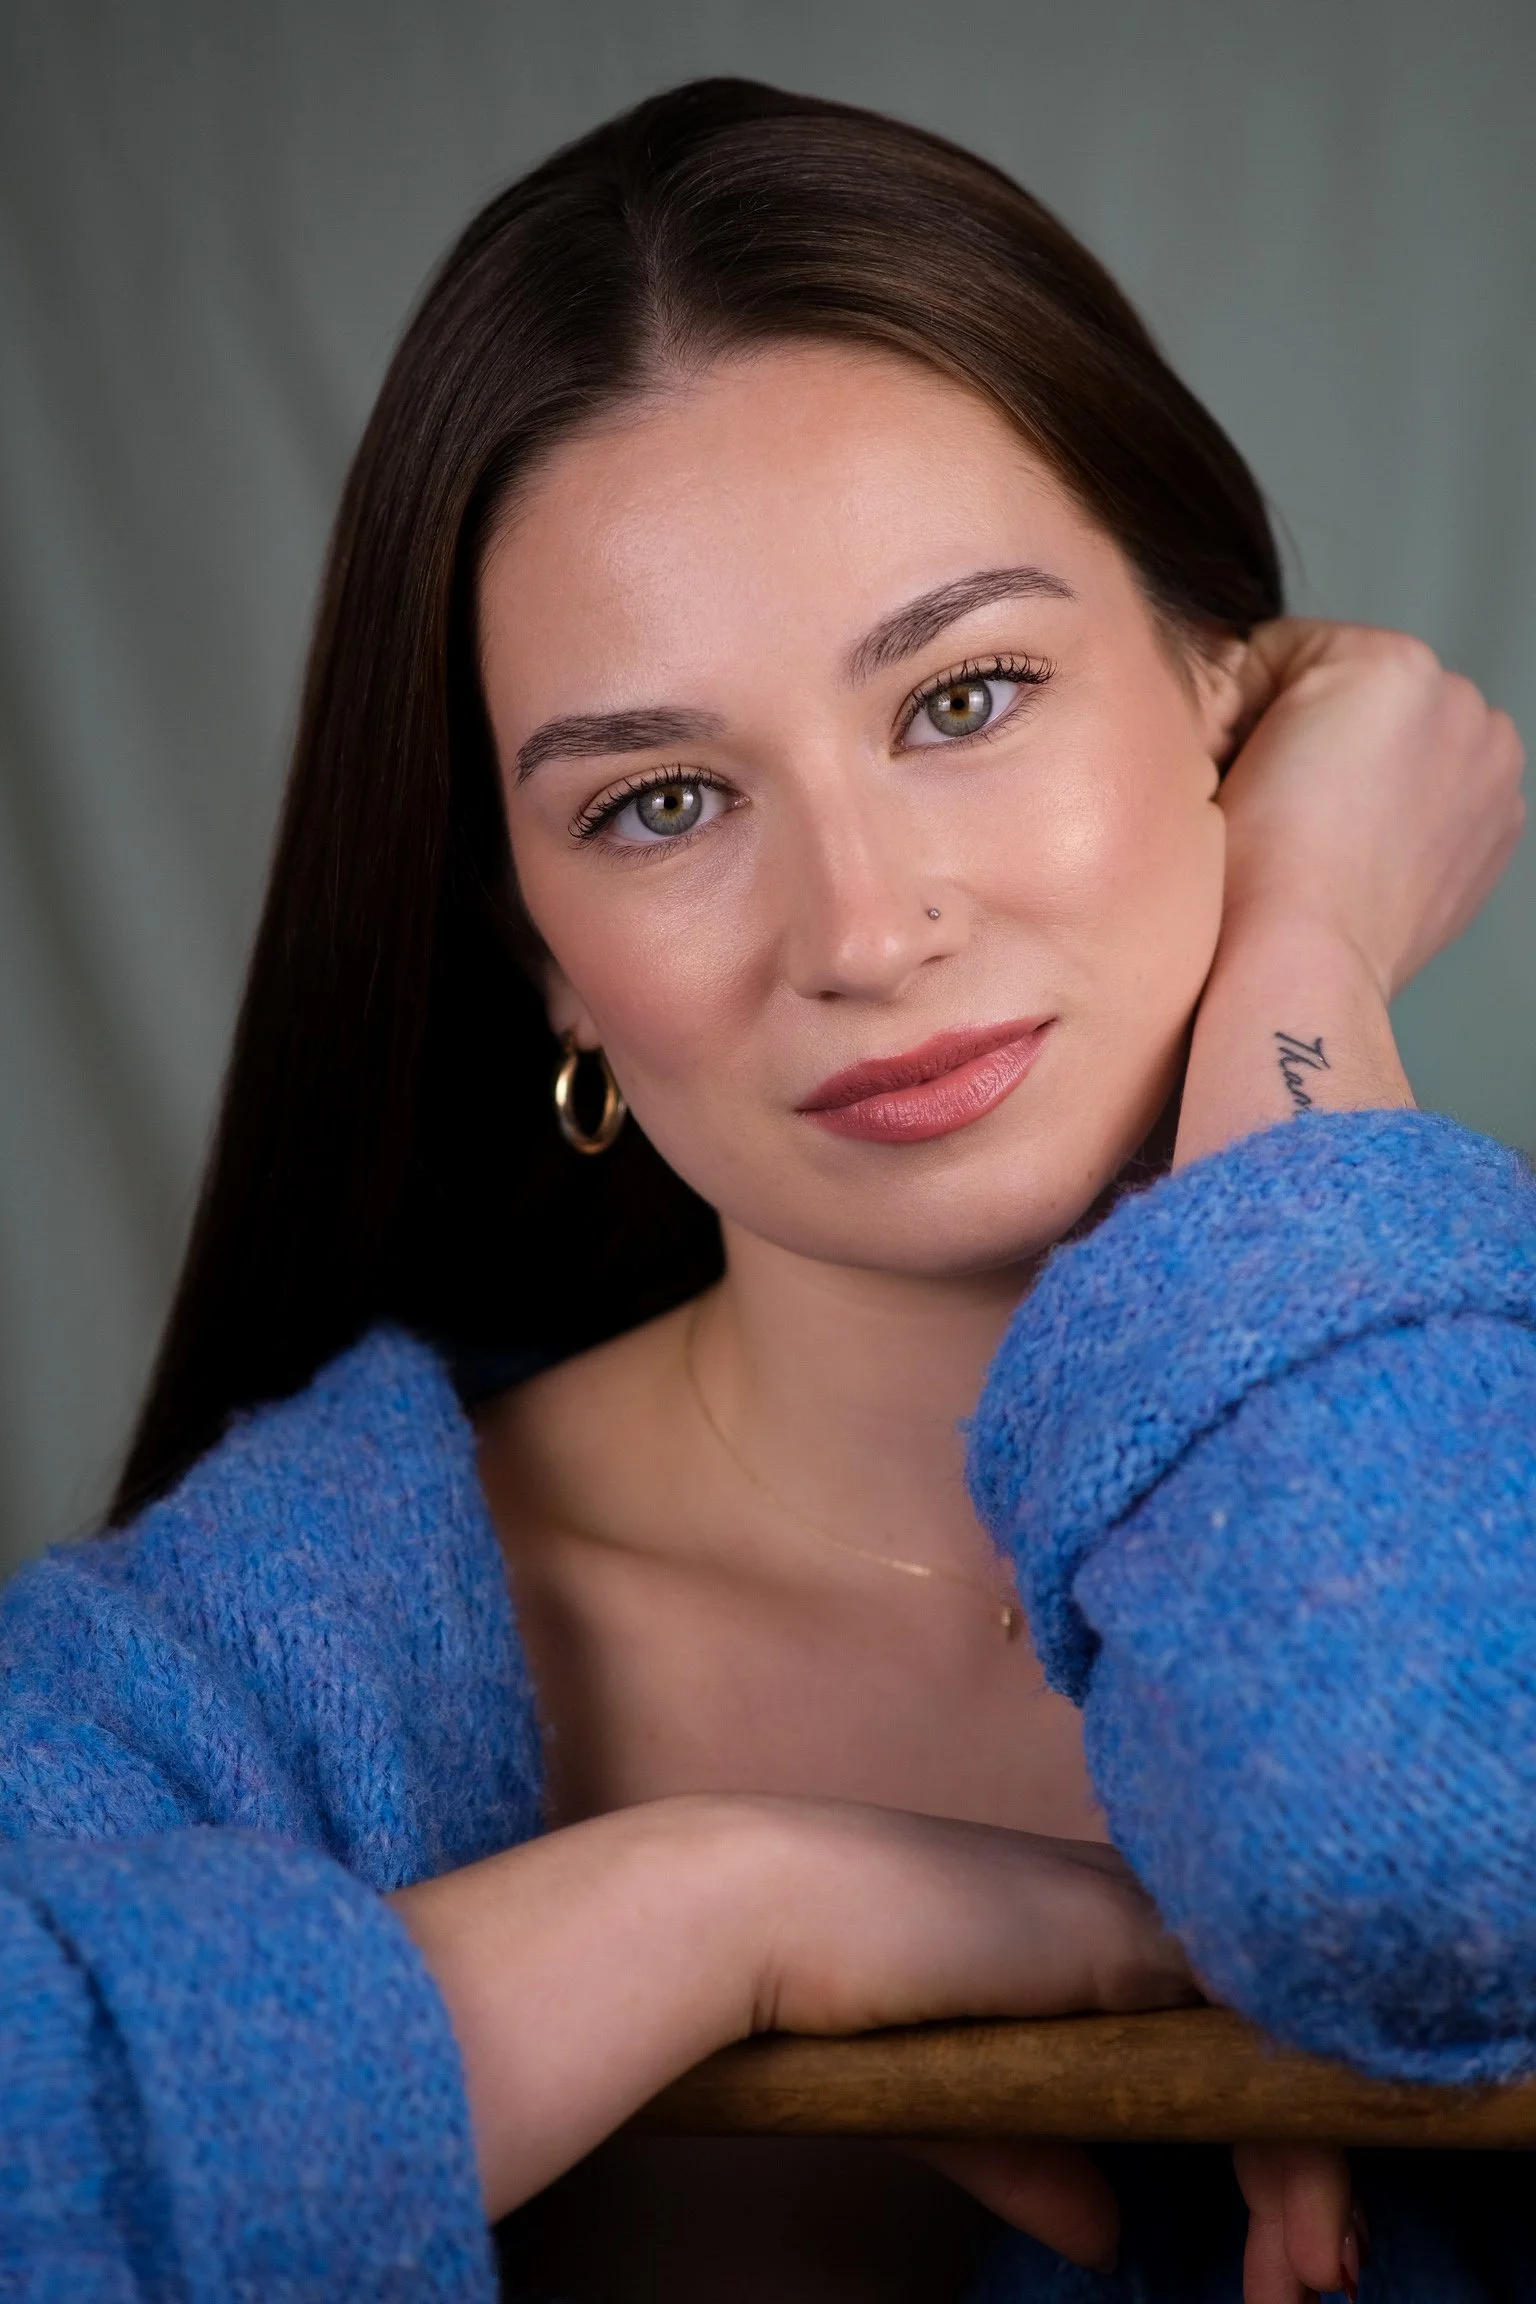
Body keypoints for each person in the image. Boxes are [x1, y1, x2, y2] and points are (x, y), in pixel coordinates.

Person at [0, 75, 1530, 2304]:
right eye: (659, 804)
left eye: (967, 695)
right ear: (542, 951)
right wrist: (716, 1909)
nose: (864, 928)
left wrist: (1302, 957)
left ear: (1226, 684)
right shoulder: (231, 1655)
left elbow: (1430, 1847)